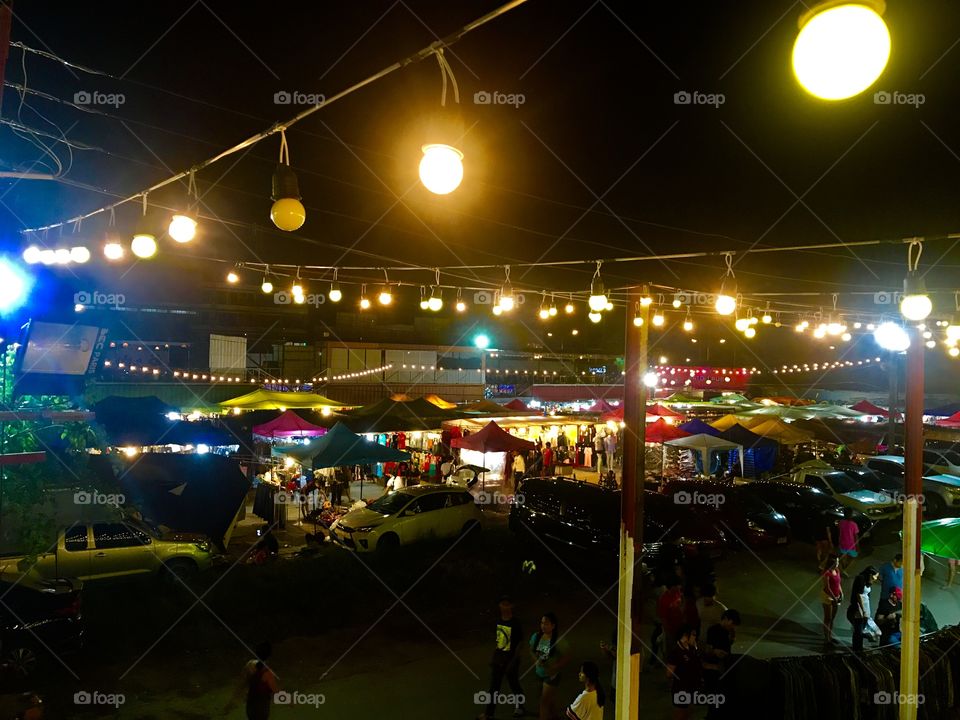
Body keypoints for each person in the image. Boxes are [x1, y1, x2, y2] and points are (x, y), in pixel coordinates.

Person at [479, 595, 526, 719]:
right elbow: (500, 640)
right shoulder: (498, 621)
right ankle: (489, 714)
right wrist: (494, 657)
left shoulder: (515, 623)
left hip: (511, 658)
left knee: (514, 684)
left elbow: (520, 642)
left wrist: (514, 660)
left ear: (511, 606)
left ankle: (520, 707)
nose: (504, 606)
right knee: (494, 686)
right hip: (499, 658)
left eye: (507, 604)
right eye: (502, 604)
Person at [529, 612, 570, 720]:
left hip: (552, 676)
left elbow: (567, 656)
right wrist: (536, 661)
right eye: (542, 623)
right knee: (547, 699)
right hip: (539, 673)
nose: (543, 626)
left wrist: (555, 667)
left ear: (553, 626)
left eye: (546, 624)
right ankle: (555, 717)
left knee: (543, 702)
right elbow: (531, 650)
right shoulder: (536, 637)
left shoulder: (558, 641)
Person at [702, 609, 740, 719]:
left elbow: (729, 644)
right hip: (714, 668)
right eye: (732, 623)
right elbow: (707, 650)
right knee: (715, 695)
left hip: (724, 666)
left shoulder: (729, 631)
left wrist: (732, 636)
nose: (733, 626)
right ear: (726, 619)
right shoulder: (713, 630)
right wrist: (715, 652)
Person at [225, 642, 278, 719]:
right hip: (263, 706)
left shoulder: (249, 665)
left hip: (251, 704)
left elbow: (241, 685)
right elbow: (275, 690)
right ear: (269, 655)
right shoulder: (268, 672)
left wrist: (233, 700)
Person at [665, 625, 702, 720]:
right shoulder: (675, 651)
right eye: (693, 635)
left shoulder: (692, 649)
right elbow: (669, 673)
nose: (695, 637)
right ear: (685, 636)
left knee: (689, 712)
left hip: (692, 686)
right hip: (680, 688)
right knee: (680, 713)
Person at [847, 566, 879, 652]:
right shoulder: (860, 579)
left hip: (865, 606)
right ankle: (856, 649)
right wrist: (863, 610)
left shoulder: (868, 581)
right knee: (858, 629)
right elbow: (859, 595)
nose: (876, 578)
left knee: (861, 629)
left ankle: (858, 647)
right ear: (870, 574)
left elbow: (866, 596)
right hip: (858, 607)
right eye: (875, 576)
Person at [657, 577, 685, 660]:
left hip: (680, 628)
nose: (679, 588)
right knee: (672, 650)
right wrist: (668, 632)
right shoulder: (664, 599)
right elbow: (663, 617)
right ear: (671, 587)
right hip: (671, 629)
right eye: (676, 586)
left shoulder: (678, 593)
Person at [820, 554, 843, 645]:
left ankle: (830, 636)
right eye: (836, 562)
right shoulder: (826, 573)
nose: (838, 563)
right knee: (828, 618)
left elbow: (838, 583)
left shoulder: (837, 570)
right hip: (828, 597)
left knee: (832, 618)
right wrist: (834, 598)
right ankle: (827, 639)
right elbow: (828, 588)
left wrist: (841, 593)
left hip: (836, 597)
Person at [837, 508, 859, 576]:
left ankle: (842, 569)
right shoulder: (854, 524)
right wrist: (857, 545)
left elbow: (840, 532)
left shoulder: (841, 522)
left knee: (842, 557)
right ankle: (843, 569)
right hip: (851, 544)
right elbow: (856, 536)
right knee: (852, 557)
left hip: (842, 543)